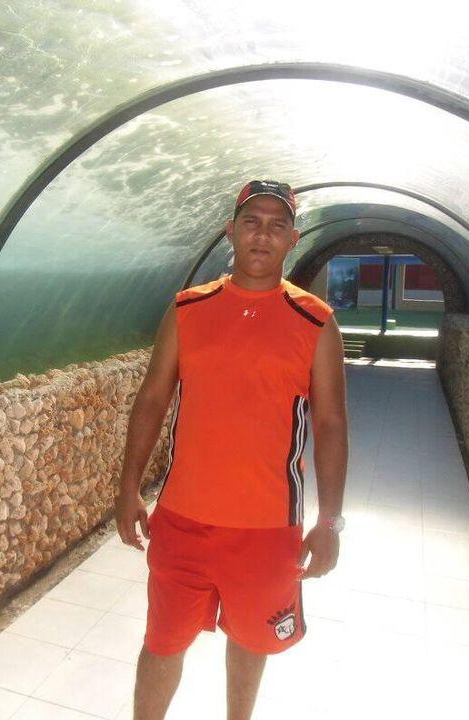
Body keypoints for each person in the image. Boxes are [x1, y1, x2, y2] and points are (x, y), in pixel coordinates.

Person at [115, 180, 349, 720]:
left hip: (267, 529)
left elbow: (332, 423)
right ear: (230, 231)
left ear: (293, 239)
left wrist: (330, 522)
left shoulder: (315, 321)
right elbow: (152, 399)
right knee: (162, 642)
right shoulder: (188, 309)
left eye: (276, 225)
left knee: (251, 641)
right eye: (251, 222)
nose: (262, 235)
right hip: (182, 522)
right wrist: (128, 490)